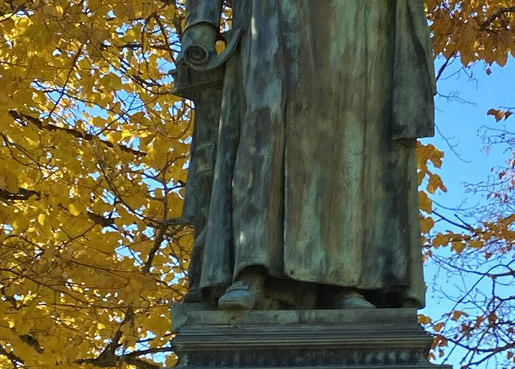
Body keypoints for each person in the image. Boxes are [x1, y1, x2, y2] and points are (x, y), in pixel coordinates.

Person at [176, 0, 435, 311]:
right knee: (263, 126)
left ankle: (341, 280)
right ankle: (251, 268)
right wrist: (201, 24)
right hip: (266, 16)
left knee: (346, 136)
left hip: (358, 17)